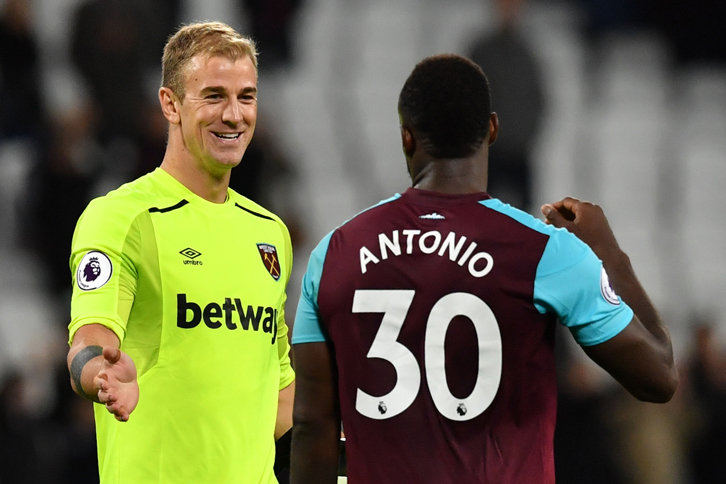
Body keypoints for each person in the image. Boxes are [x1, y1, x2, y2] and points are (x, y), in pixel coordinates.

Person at [289, 54, 677, 484]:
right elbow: (659, 379)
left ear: (406, 138)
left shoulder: (333, 254)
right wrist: (609, 252)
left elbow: (312, 424)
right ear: (492, 129)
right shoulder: (545, 252)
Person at [66, 22, 295, 484]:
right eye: (213, 96)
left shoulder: (270, 233)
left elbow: (278, 392)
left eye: (246, 97)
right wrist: (101, 376)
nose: (234, 115)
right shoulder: (122, 218)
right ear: (170, 104)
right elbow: (88, 342)